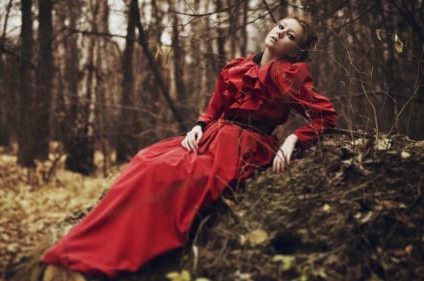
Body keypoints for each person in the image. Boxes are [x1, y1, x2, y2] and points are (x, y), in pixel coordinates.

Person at [41, 15, 337, 281]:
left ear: (296, 49)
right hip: (211, 138)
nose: (280, 32)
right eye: (280, 26)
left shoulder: (291, 74)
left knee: (175, 177)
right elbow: (212, 111)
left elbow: (325, 115)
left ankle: (117, 254)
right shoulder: (237, 67)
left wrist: (293, 139)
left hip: (245, 147)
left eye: (290, 35)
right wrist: (197, 126)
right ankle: (84, 244)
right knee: (147, 160)